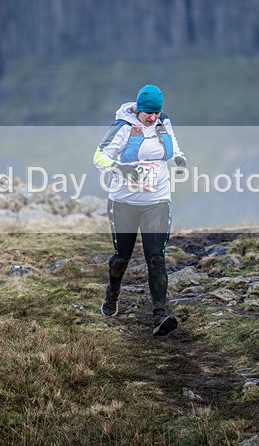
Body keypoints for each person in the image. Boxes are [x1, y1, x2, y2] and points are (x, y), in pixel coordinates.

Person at [93, 84, 186, 336]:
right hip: (123, 202)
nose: (153, 117)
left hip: (157, 200)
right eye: (148, 113)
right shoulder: (123, 127)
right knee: (122, 257)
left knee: (155, 257)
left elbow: (173, 148)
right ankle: (113, 293)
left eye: (157, 112)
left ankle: (160, 314)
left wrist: (179, 158)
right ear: (139, 109)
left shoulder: (164, 123)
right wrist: (119, 167)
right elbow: (99, 156)